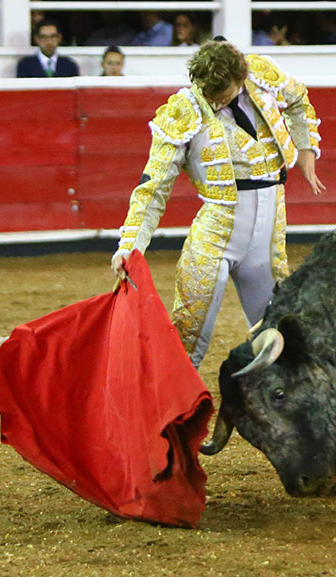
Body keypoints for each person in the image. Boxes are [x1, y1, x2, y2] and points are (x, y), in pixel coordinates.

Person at [110, 39, 325, 369]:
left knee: (279, 338)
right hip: (216, 235)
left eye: (220, 93)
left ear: (240, 78)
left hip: (270, 230)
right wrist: (129, 246)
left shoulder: (260, 76)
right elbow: (152, 189)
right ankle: (170, 417)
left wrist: (306, 148)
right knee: (189, 336)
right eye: (206, 91)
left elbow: (298, 100)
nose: (211, 101)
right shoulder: (184, 110)